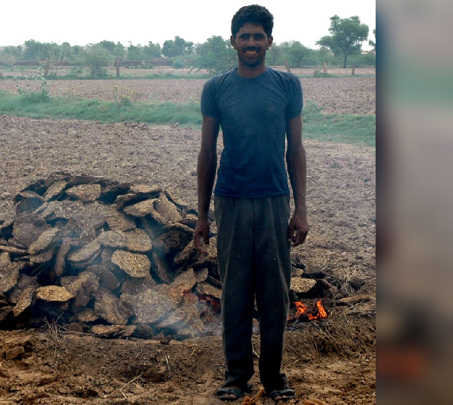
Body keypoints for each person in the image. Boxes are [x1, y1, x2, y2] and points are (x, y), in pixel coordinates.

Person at [193, 4, 308, 402]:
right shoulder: (216, 88)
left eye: (259, 36)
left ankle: (274, 379)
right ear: (233, 42)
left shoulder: (287, 86)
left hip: (275, 200)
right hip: (231, 200)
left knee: (275, 293)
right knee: (237, 292)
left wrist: (301, 209)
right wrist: (202, 216)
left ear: (270, 42)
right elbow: (207, 153)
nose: (252, 43)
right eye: (245, 36)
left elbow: (296, 150)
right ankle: (235, 376)